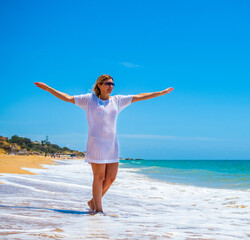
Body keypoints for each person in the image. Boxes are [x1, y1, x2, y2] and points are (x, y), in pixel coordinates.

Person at [34, 74, 174, 214]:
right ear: (99, 85)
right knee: (99, 177)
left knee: (111, 178)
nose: (110, 86)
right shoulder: (89, 100)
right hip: (96, 144)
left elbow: (140, 96)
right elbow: (68, 98)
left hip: (112, 144)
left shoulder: (117, 101)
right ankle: (98, 210)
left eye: (112, 84)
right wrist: (48, 88)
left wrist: (161, 93)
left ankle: (93, 202)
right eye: (107, 83)